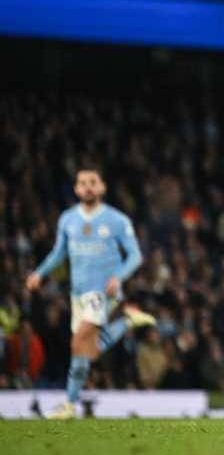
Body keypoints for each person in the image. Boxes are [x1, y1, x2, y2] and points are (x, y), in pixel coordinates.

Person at [25, 168, 156, 419]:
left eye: (93, 182)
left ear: (102, 188)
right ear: (76, 189)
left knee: (79, 341)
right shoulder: (67, 219)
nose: (87, 187)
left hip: (103, 291)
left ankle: (69, 405)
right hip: (78, 294)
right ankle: (70, 405)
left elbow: (136, 255)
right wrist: (40, 273)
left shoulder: (117, 220)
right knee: (87, 353)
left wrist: (118, 277)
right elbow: (58, 252)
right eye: (82, 183)